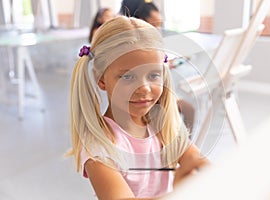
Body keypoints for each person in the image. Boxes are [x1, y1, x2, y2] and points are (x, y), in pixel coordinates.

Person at [68, 16, 209, 199]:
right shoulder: (99, 146)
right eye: (128, 77)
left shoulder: (161, 123)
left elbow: (195, 160)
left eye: (153, 75)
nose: (144, 88)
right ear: (101, 79)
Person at [119, 0, 196, 132]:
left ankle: (180, 147)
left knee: (188, 110)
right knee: (183, 111)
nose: (158, 30)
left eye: (160, 25)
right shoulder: (132, 44)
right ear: (140, 21)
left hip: (156, 94)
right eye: (154, 25)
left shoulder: (150, 43)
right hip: (146, 98)